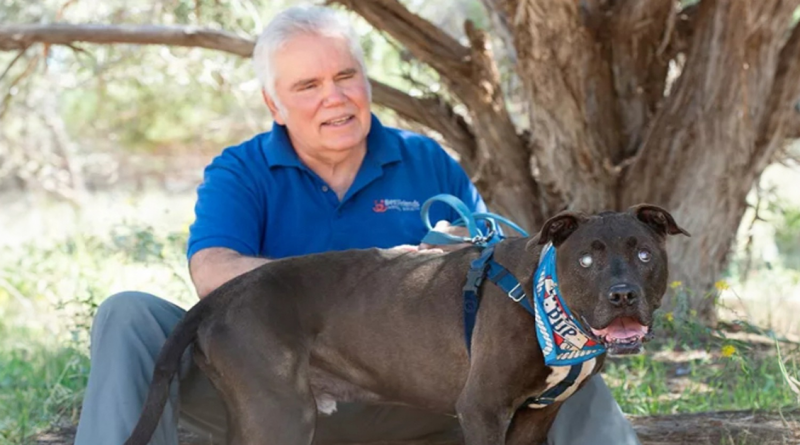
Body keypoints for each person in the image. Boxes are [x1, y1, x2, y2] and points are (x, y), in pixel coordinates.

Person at [73, 5, 640, 445]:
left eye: (346, 76)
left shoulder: (426, 161)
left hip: (413, 389)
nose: (334, 98)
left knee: (567, 352)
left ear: (367, 81)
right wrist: (367, 277)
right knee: (127, 313)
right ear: (274, 104)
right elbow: (215, 274)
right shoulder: (242, 169)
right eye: (308, 86)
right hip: (266, 378)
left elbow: (486, 278)